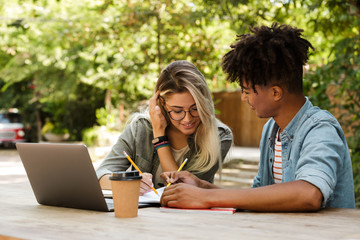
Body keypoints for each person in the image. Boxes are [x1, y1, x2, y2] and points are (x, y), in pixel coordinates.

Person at [160, 23, 355, 211]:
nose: (243, 97)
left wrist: (205, 198)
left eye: (247, 91)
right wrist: (202, 187)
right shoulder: (272, 130)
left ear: (276, 93)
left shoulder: (321, 129)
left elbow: (309, 194)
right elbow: (258, 197)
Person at [96, 60, 233, 195]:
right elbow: (101, 175)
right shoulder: (141, 127)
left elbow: (182, 191)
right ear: (161, 103)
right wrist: (127, 183)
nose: (188, 119)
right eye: (177, 111)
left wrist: (160, 138)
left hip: (190, 217)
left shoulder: (220, 136)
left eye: (195, 108)